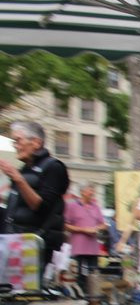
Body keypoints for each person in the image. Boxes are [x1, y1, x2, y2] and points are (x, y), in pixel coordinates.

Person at [0, 121, 70, 268]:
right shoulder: (24, 170)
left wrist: (18, 179)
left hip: (35, 242)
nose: (15, 145)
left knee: (28, 290)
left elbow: (42, 207)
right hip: (15, 241)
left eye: (18, 140)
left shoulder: (54, 167)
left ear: (36, 142)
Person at [64, 183, 107, 285]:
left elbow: (103, 224)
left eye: (93, 191)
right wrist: (83, 230)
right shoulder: (72, 206)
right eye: (90, 191)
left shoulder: (95, 207)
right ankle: (80, 292)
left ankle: (92, 293)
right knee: (79, 273)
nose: (92, 193)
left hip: (93, 247)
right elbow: (65, 225)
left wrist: (96, 228)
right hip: (79, 247)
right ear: (82, 192)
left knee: (93, 272)